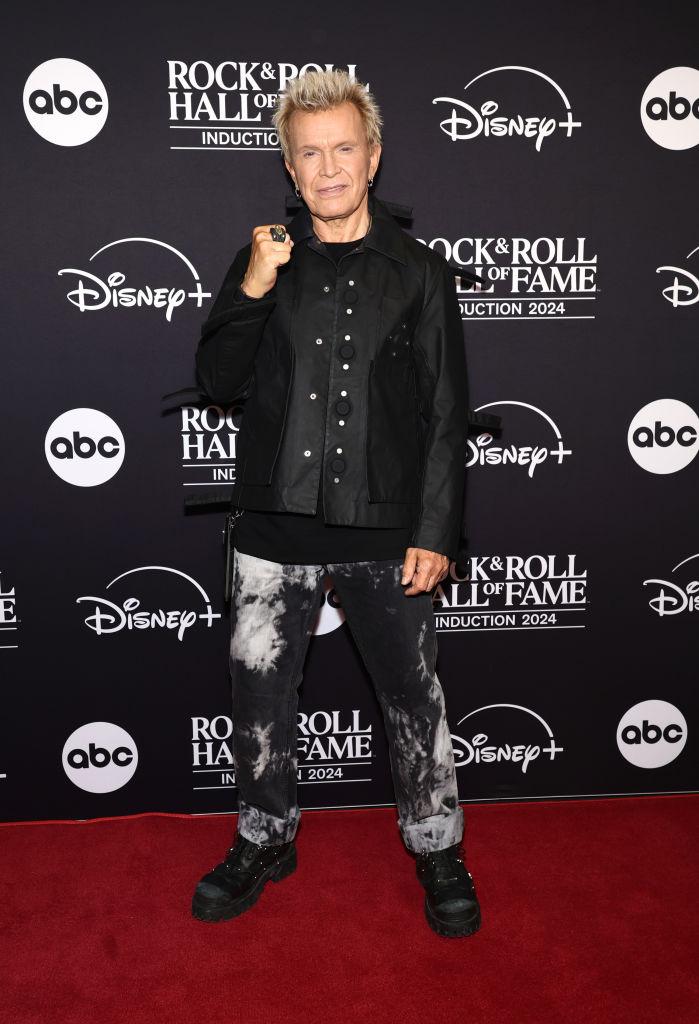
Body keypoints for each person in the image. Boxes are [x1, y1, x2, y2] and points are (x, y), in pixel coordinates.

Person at [191, 69, 480, 938]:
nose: (327, 168)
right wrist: (250, 285)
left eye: (343, 149)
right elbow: (215, 382)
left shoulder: (423, 273)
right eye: (308, 153)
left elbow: (443, 412)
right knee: (258, 704)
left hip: (390, 534)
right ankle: (264, 837)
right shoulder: (263, 262)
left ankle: (436, 848)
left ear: (373, 156)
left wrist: (436, 528)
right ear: (289, 166)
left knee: (412, 701)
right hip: (273, 532)